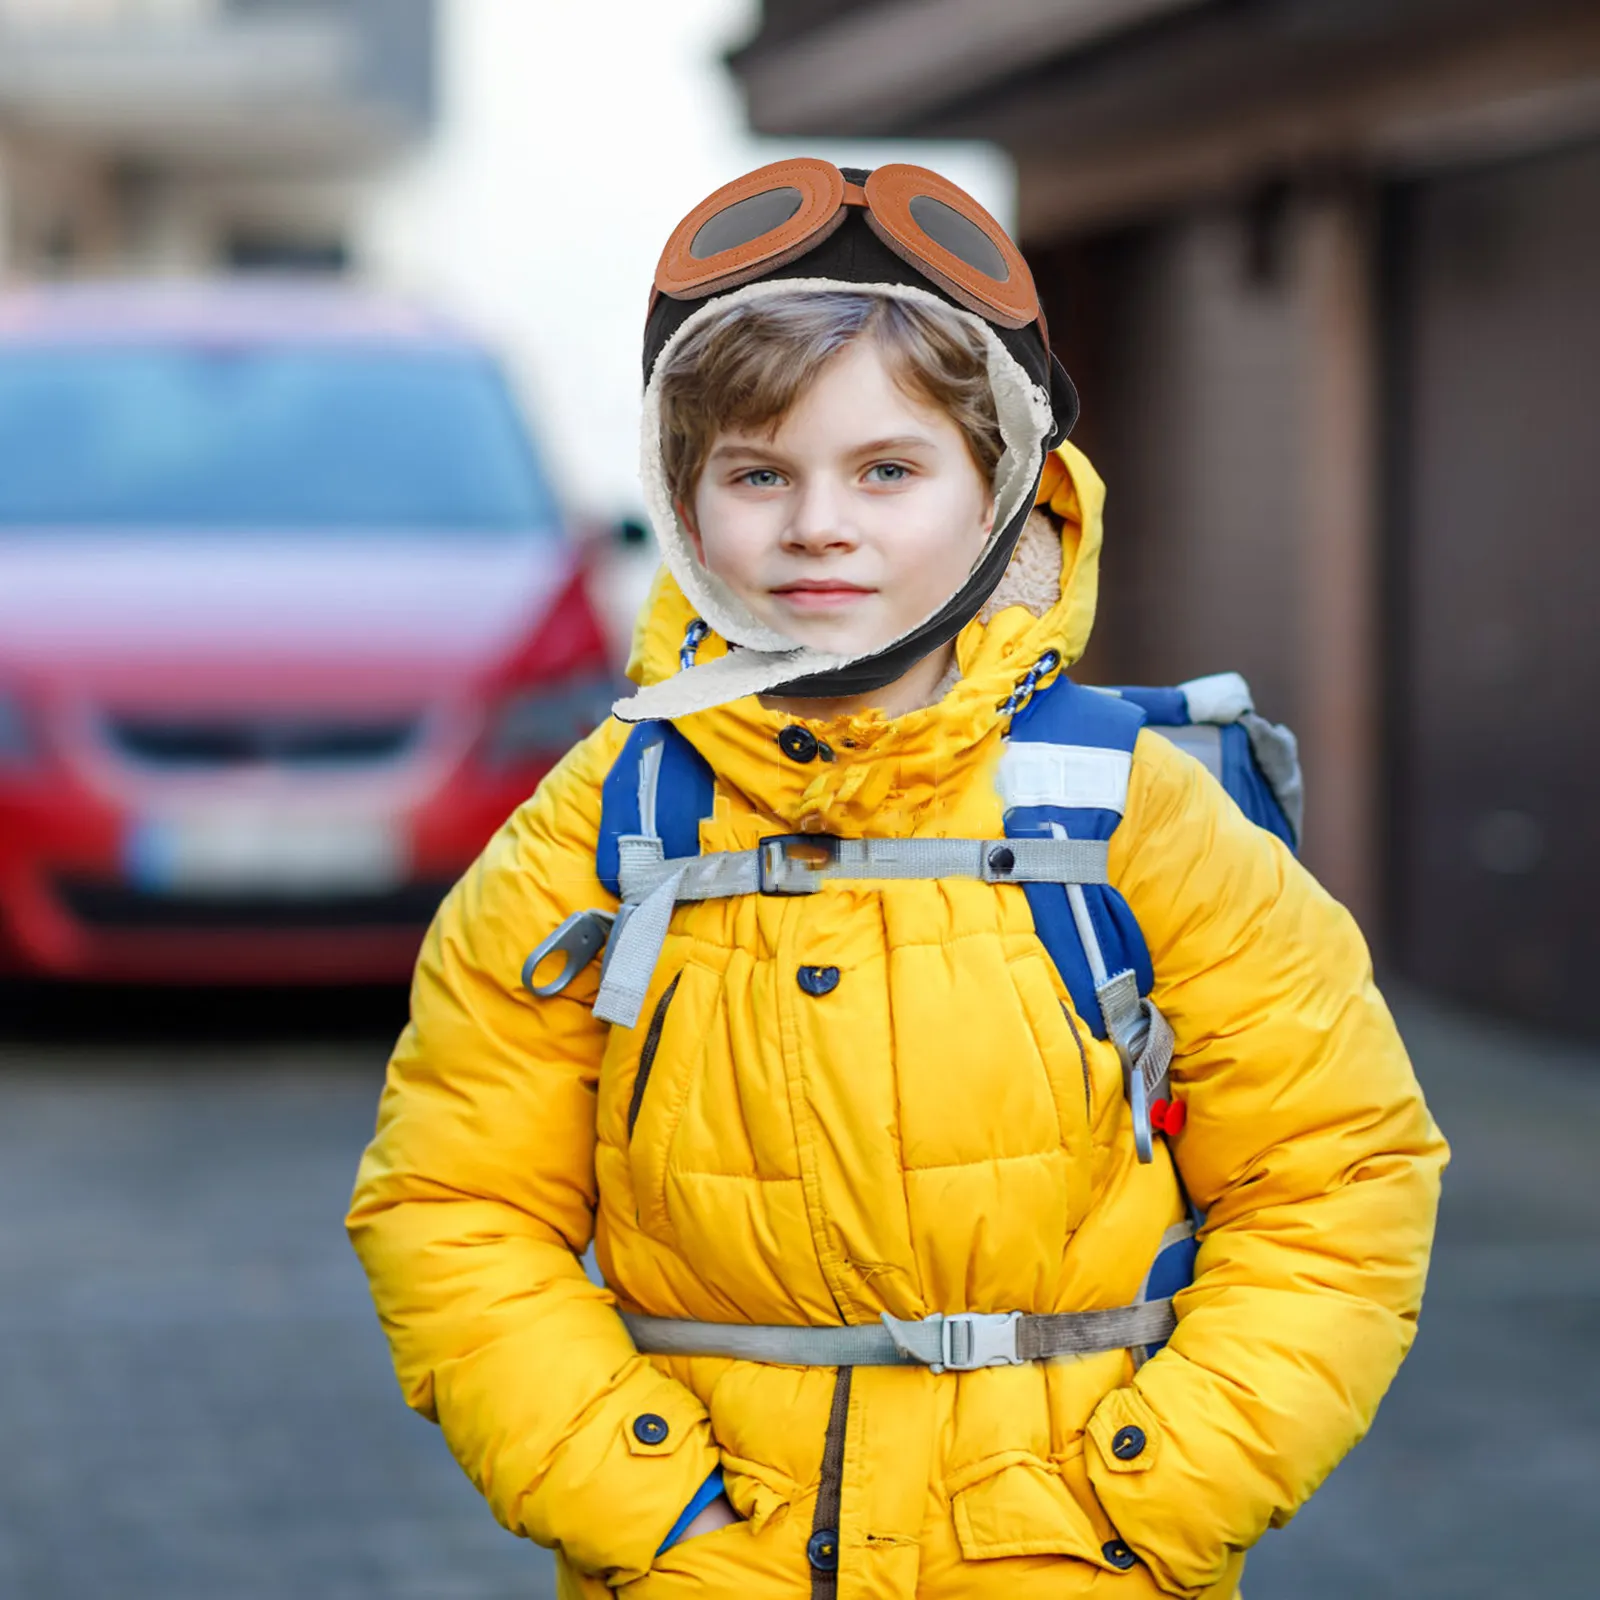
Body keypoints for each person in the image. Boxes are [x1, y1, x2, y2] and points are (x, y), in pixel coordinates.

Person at [348, 160, 1447, 1600]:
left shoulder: (1131, 816)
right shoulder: (602, 827)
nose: (818, 525)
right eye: (757, 472)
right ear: (684, 500)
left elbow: (1340, 1179)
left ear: (1001, 490)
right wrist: (655, 1516)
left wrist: (1141, 1503)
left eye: (886, 469)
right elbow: (454, 1201)